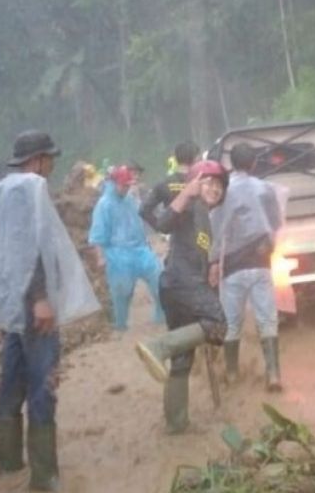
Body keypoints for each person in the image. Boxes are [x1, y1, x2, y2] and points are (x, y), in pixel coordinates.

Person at [0, 130, 99, 491]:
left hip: (12, 304)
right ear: (36, 159)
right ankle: (44, 475)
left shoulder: (2, 189)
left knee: (12, 379)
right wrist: (39, 297)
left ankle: (8, 462)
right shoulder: (29, 189)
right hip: (32, 305)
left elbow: (6, 251)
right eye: (49, 157)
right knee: (43, 382)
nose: (53, 164)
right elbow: (29, 247)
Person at [134, 160, 229, 433]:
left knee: (183, 358)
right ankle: (158, 346)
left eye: (219, 185)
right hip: (182, 282)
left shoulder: (204, 218)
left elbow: (198, 253)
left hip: (180, 285)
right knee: (218, 322)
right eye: (208, 182)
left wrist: (211, 268)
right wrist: (186, 193)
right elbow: (163, 223)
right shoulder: (189, 205)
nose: (214, 189)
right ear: (195, 182)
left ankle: (176, 424)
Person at [210, 143, 285, 391]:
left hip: (232, 266)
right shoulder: (265, 188)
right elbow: (276, 222)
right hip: (261, 261)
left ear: (231, 164)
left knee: (232, 323)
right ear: (253, 164)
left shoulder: (223, 191)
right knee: (267, 319)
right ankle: (273, 374)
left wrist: (212, 263)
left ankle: (232, 375)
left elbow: (215, 230)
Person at [89, 165, 164, 330]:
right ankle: (120, 325)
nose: (126, 188)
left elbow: (140, 220)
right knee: (122, 292)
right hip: (117, 254)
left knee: (159, 278)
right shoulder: (104, 205)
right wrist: (101, 257)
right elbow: (97, 235)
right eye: (124, 185)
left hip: (140, 250)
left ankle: (161, 316)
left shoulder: (130, 200)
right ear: (114, 183)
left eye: (128, 185)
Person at [140, 142, 201, 232]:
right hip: (199, 236)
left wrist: (161, 227)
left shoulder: (164, 183)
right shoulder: (201, 182)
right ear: (195, 158)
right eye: (200, 158)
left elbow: (144, 210)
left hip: (175, 238)